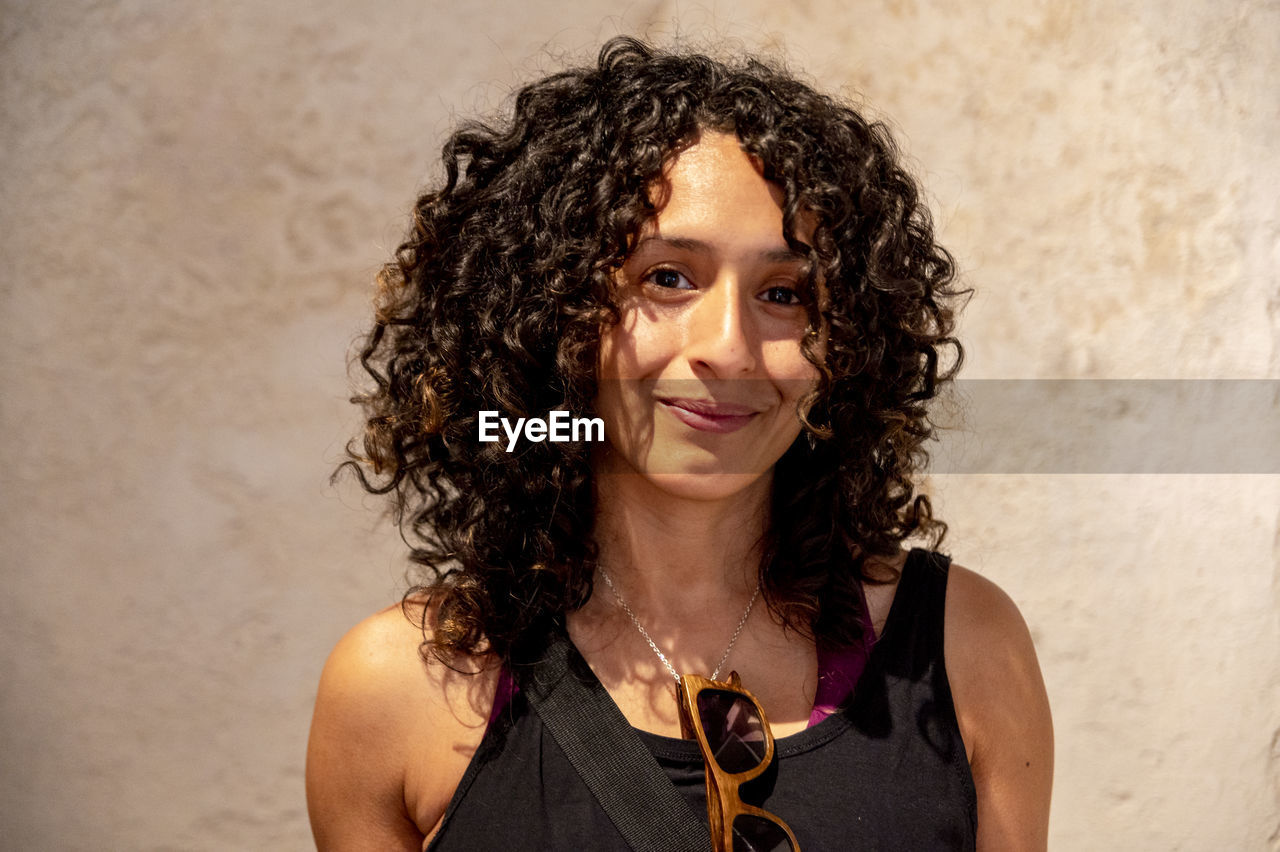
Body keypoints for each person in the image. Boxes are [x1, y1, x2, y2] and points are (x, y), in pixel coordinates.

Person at [306, 37, 1053, 851]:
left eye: (784, 293)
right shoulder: (400, 689)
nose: (727, 349)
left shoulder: (963, 649)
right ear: (549, 315)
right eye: (667, 277)